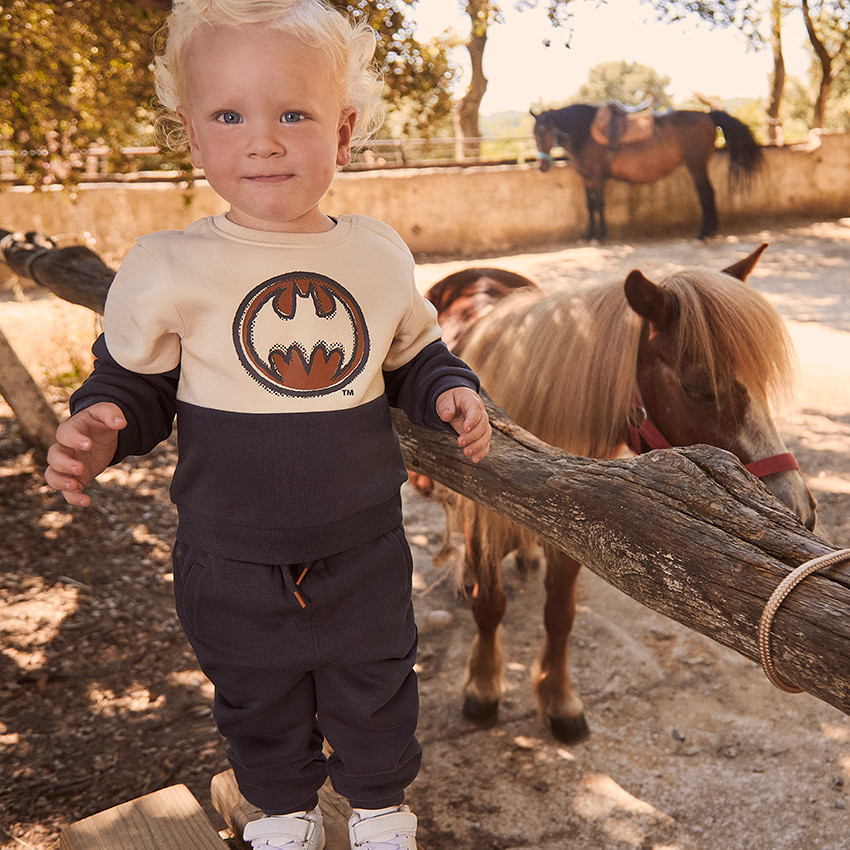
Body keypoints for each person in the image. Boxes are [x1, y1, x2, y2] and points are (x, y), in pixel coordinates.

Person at [44, 2, 492, 849]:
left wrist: (449, 389)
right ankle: (283, 816)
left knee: (376, 687)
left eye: (293, 114)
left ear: (343, 131)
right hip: (230, 554)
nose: (263, 142)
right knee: (255, 696)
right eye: (229, 116)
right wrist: (103, 424)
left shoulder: (375, 254)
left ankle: (380, 812)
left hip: (362, 546)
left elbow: (411, 355)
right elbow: (135, 385)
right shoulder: (168, 266)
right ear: (190, 134)